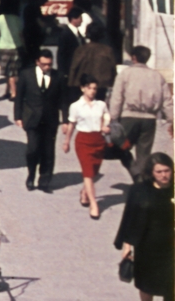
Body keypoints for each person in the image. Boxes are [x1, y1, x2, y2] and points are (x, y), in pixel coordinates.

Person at [115, 153, 174, 301]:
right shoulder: (140, 191)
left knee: (172, 292)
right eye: (160, 172)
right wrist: (127, 244)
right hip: (147, 246)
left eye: (167, 171)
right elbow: (130, 217)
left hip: (172, 248)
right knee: (147, 285)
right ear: (151, 173)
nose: (164, 176)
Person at [109, 46, 172, 178]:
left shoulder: (125, 74)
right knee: (144, 154)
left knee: (121, 148)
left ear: (134, 58)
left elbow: (117, 97)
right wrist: (172, 119)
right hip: (149, 120)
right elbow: (167, 100)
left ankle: (137, 175)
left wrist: (113, 118)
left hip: (129, 117)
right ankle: (144, 183)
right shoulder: (157, 76)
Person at [13, 51, 65, 192]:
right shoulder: (26, 74)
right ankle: (31, 175)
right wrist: (18, 116)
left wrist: (65, 120)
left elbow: (62, 100)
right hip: (31, 118)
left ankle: (44, 180)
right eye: (44, 64)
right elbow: (19, 97)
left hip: (50, 119)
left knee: (48, 151)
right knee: (33, 149)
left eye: (49, 64)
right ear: (37, 62)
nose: (47, 67)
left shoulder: (58, 76)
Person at [62, 80, 112, 219]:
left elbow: (106, 117)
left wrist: (106, 126)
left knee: (94, 171)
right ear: (83, 88)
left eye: (95, 88)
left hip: (98, 141)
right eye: (89, 88)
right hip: (83, 141)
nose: (92, 91)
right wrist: (67, 142)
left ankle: (84, 193)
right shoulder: (76, 106)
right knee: (88, 173)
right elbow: (72, 125)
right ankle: (94, 204)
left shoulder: (101, 104)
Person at [67, 21, 118, 107]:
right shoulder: (108, 50)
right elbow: (113, 69)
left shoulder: (81, 50)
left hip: (83, 85)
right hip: (101, 86)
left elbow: (73, 68)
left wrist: (70, 85)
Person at [0, 0, 25, 102]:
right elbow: (21, 35)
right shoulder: (17, 19)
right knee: (14, 71)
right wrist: (24, 46)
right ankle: (8, 91)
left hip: (4, 48)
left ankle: (14, 93)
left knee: (8, 72)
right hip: (17, 47)